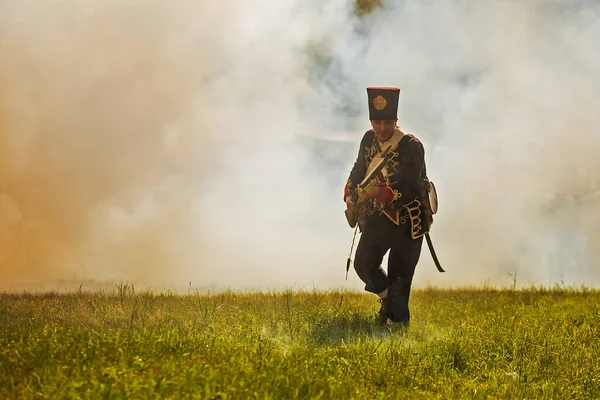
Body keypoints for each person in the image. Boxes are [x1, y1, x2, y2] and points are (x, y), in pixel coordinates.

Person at [344, 86, 434, 326]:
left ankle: (397, 327)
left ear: (395, 120)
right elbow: (358, 169)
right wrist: (349, 194)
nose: (382, 128)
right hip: (377, 219)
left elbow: (410, 188)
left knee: (399, 279)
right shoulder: (368, 139)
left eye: (387, 123)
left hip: (408, 223)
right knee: (363, 264)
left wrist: (379, 193)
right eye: (377, 122)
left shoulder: (411, 146)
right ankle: (388, 301)